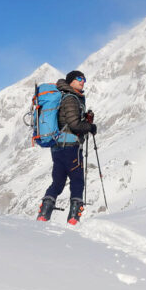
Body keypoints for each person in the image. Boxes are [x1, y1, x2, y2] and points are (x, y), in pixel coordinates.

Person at [36, 70, 98, 224]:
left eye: (84, 79)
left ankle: (44, 214)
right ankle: (73, 219)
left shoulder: (63, 97)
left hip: (58, 148)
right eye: (79, 78)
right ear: (71, 81)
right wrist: (90, 127)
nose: (82, 81)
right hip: (71, 147)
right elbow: (74, 124)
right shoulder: (71, 98)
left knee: (58, 182)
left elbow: (68, 121)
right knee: (77, 181)